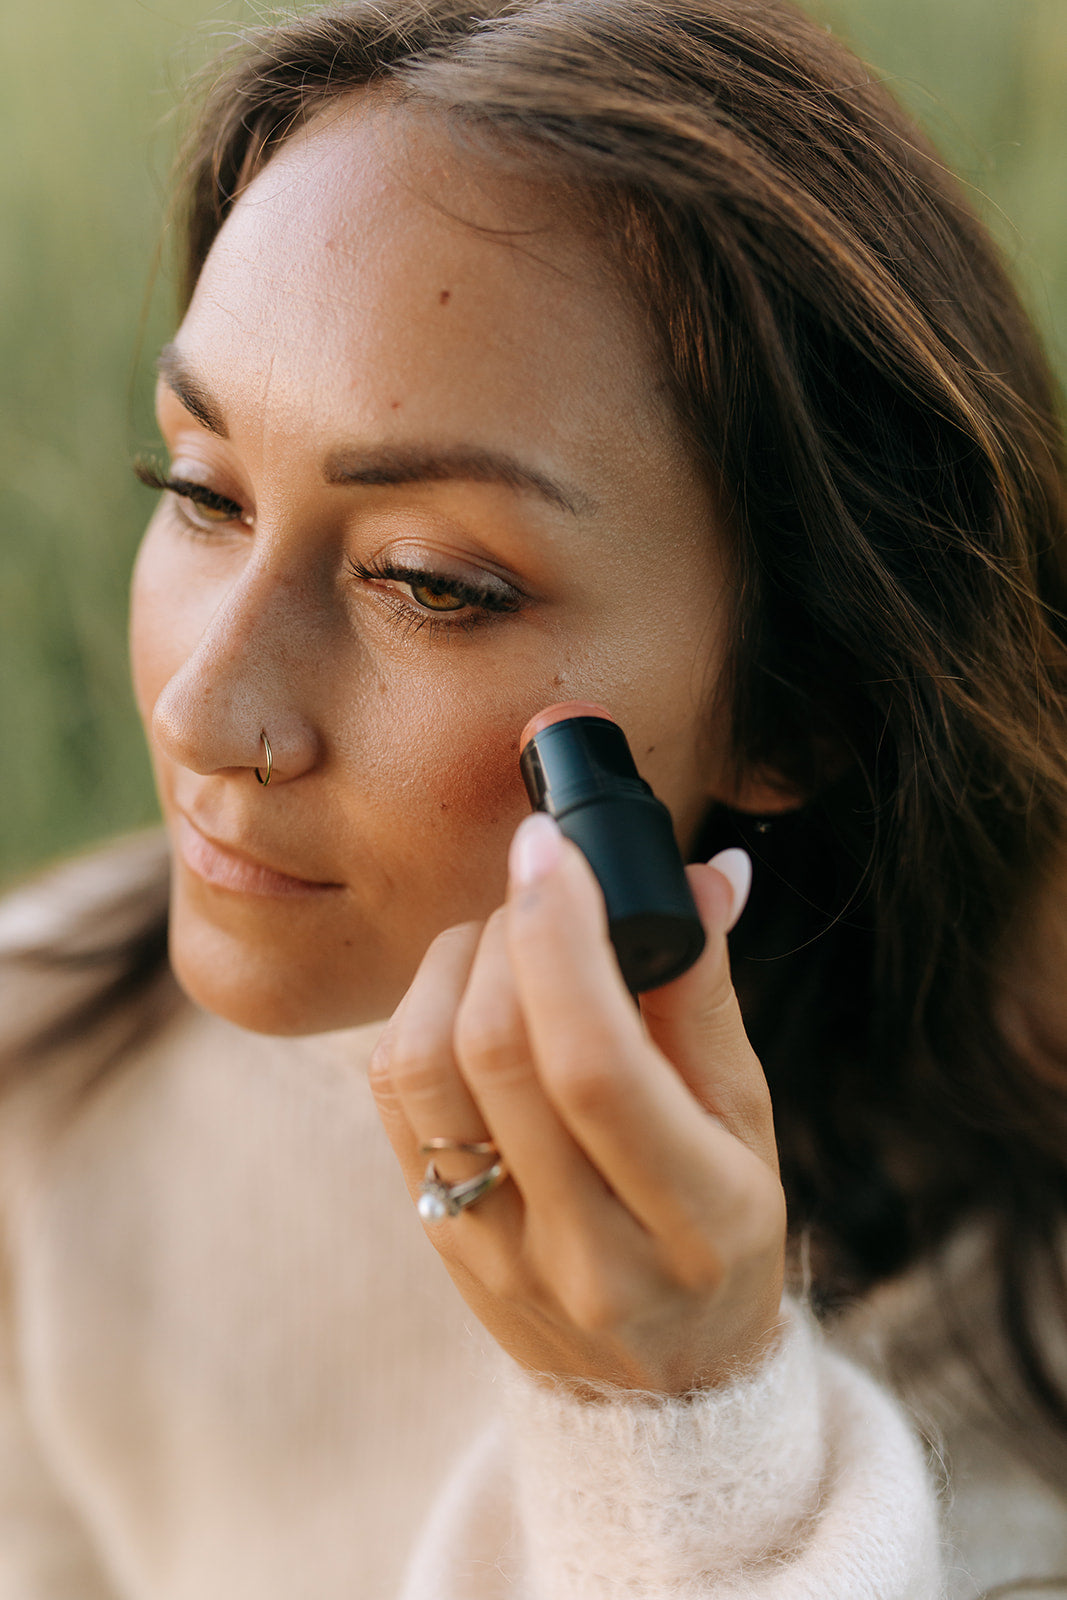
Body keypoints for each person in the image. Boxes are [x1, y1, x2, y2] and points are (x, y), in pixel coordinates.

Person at [2, 0, 1066, 1593]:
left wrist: (685, 1438)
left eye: (428, 582)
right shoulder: (47, 1064)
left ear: (804, 704)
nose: (203, 708)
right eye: (203, 490)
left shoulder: (1014, 1319)